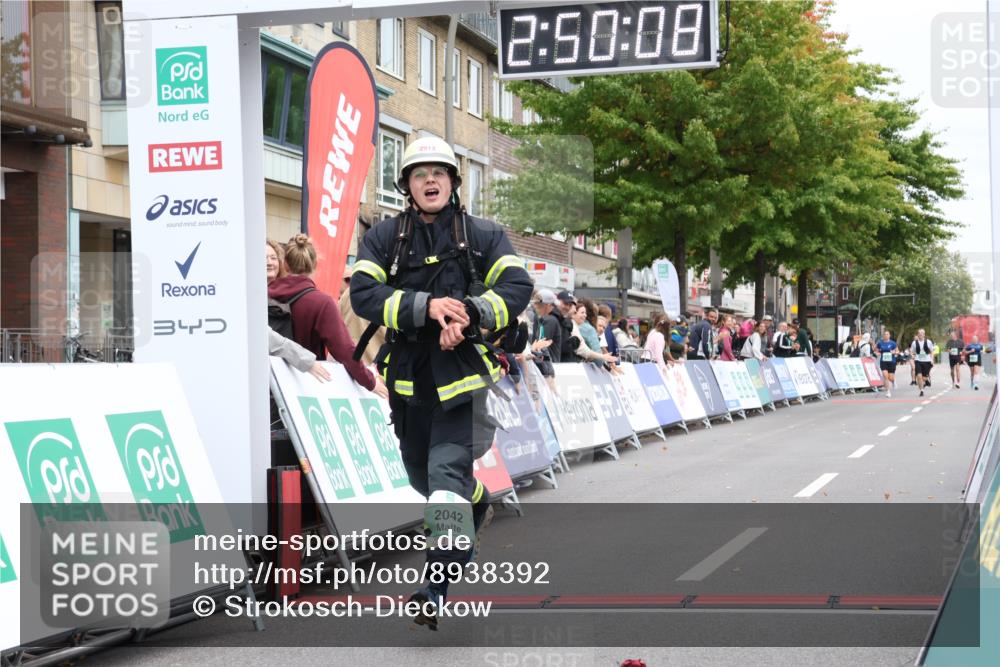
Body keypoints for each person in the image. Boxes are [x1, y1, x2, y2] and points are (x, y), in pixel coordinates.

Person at [350, 137, 532, 629]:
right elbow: (364, 292)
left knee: (444, 486)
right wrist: (425, 308)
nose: (430, 180)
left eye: (439, 172)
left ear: (452, 182)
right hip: (409, 379)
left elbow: (517, 287)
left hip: (460, 381)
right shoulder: (385, 237)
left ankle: (435, 585)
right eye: (418, 173)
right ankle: (478, 501)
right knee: (423, 480)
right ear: (406, 185)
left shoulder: (483, 234)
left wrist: (469, 313)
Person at [269, 235, 388, 398]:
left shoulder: (261, 297)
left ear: (285, 265)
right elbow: (346, 351)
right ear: (315, 264)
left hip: (265, 385)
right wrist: (370, 382)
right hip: (302, 390)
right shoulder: (321, 303)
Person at [554, 290, 581, 363]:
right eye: (565, 303)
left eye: (570, 305)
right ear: (557, 302)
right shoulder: (552, 319)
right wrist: (574, 342)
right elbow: (557, 347)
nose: (567, 307)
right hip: (555, 365)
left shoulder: (564, 321)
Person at [910, 329, 935, 397]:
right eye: (919, 333)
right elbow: (911, 351)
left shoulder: (928, 342)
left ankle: (926, 381)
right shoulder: (914, 343)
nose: (920, 334)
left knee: (924, 378)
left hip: (927, 361)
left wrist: (932, 360)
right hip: (918, 361)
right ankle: (921, 390)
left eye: (922, 333)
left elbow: (932, 351)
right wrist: (912, 356)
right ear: (917, 334)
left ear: (924, 334)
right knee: (919, 376)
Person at [875, 330, 899, 397]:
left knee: (890, 377)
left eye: (887, 334)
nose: (886, 335)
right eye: (885, 334)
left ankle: (893, 381)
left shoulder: (893, 343)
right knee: (885, 376)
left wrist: (894, 352)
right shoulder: (880, 343)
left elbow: (897, 351)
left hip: (892, 362)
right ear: (883, 336)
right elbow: (876, 351)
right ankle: (888, 391)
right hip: (883, 362)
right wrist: (877, 353)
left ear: (889, 335)